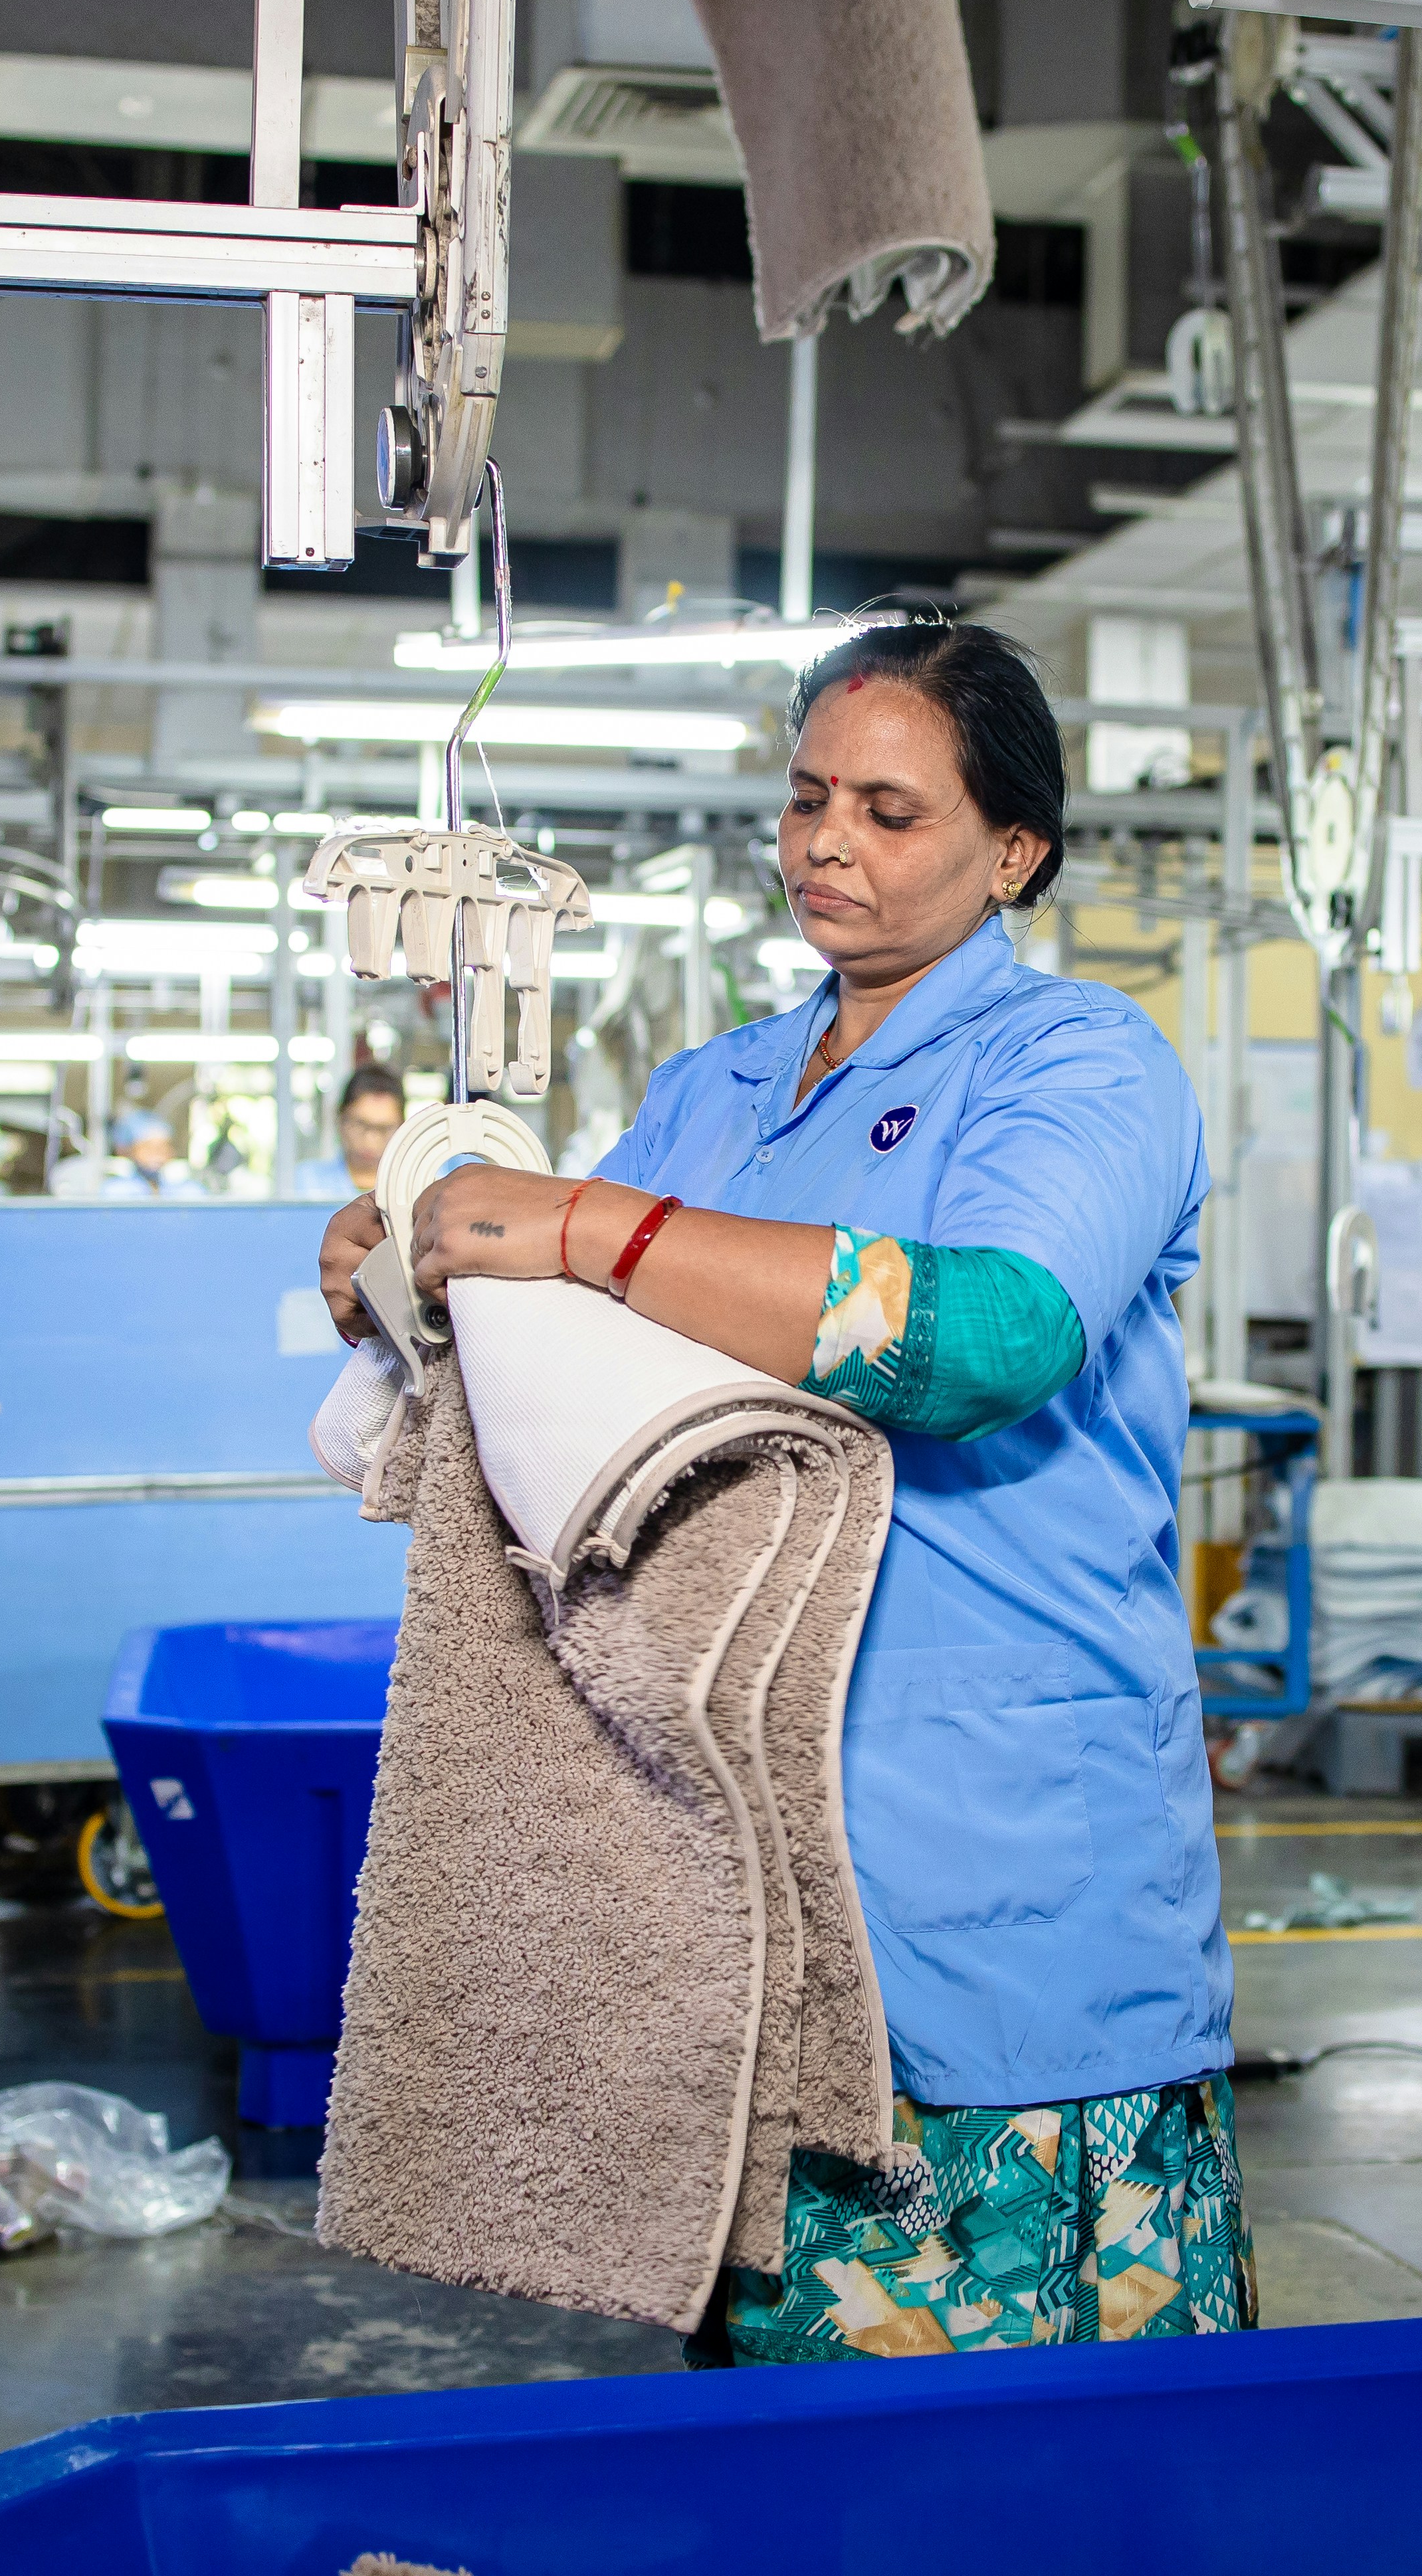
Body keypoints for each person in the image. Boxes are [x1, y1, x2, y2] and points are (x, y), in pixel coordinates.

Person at [314, 621, 1246, 2362]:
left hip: (996, 1863)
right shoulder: (716, 1090)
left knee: (1037, 2483)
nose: (830, 842)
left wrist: (590, 1226)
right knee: (784, 2462)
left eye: (892, 811)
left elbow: (994, 1331)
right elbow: (576, 1380)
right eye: (810, 799)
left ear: (1012, 854)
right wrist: (421, 1268)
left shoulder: (1081, 1068)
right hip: (734, 1868)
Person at [288, 1064, 408, 1200]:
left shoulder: (423, 1184)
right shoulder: (307, 1182)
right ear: (340, 1119)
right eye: (360, 1125)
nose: (370, 1140)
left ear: (403, 1127)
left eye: (384, 1129)